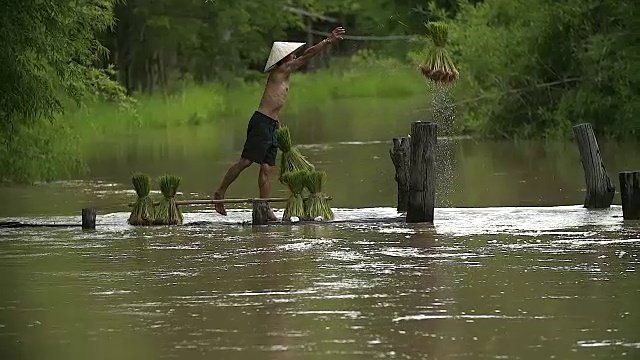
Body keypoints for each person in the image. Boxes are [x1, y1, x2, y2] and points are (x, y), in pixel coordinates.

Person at [213, 27, 347, 220]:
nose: (294, 56)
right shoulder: (283, 69)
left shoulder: (286, 74)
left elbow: (275, 104)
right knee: (246, 162)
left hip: (272, 124)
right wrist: (328, 41)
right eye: (292, 54)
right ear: (284, 58)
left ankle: (265, 207)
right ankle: (220, 192)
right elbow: (308, 55)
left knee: (268, 168)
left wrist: (279, 126)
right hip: (261, 122)